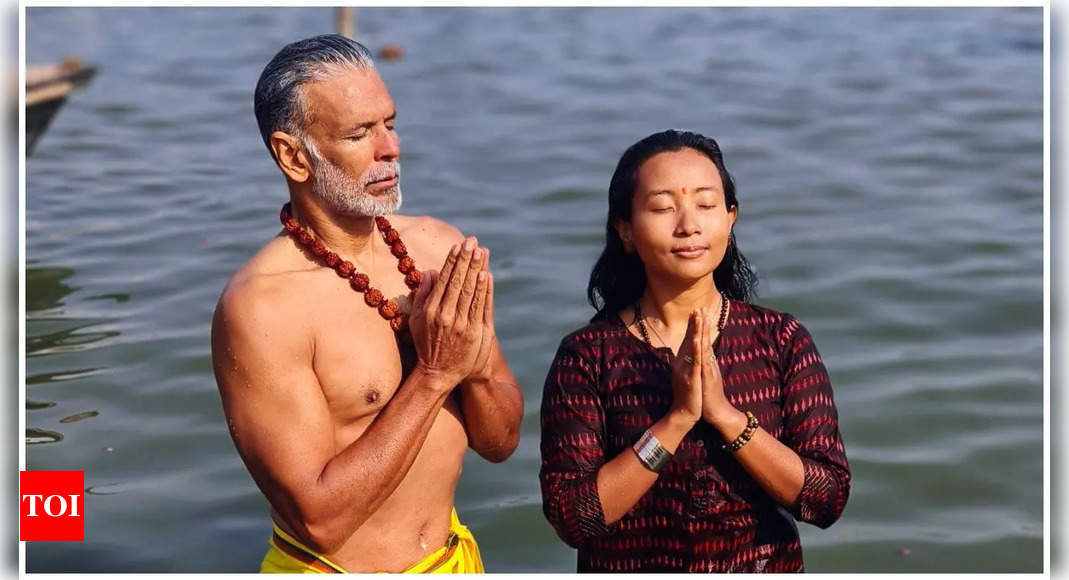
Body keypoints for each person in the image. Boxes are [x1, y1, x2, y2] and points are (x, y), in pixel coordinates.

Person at [211, 34, 523, 573]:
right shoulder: (262, 308)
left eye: (391, 124)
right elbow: (320, 522)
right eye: (359, 134)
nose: (390, 150)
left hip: (454, 558)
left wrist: (470, 371)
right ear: (293, 155)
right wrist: (434, 374)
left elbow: (500, 444)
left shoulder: (438, 247)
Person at [539, 130, 850, 572]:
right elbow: (573, 518)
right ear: (626, 230)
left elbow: (827, 498)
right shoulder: (588, 356)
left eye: (706, 205)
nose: (689, 225)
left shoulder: (781, 338)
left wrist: (726, 417)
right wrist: (675, 422)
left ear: (730, 218)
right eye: (663, 208)